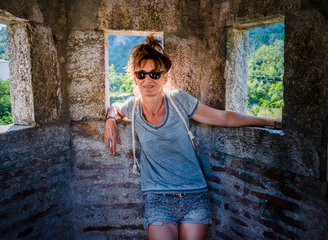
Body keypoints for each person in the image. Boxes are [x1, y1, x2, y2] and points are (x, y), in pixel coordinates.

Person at [104, 36, 281, 240]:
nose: (147, 79)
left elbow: (222, 117)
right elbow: (115, 107)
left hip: (194, 195)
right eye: (141, 74)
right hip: (158, 199)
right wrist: (110, 120)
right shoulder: (133, 108)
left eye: (154, 73)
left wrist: (269, 122)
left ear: (165, 78)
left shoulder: (178, 100)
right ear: (135, 78)